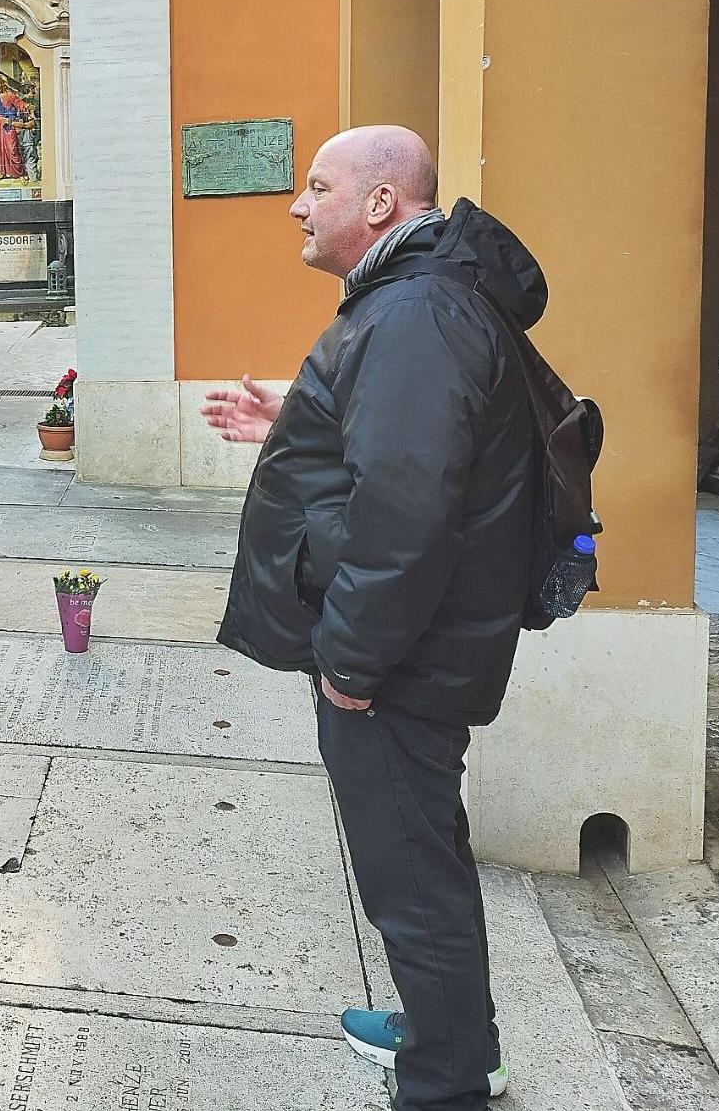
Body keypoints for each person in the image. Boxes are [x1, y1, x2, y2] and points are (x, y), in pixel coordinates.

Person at [204, 126, 541, 1111]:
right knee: (420, 854)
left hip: (396, 661)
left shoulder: (415, 317)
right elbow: (406, 451)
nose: (297, 206)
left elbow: (403, 516)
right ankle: (449, 1036)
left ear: (381, 204)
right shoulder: (415, 302)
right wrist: (294, 425)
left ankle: (444, 1085)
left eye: (317, 187)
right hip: (419, 650)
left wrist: (348, 661)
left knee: (410, 882)